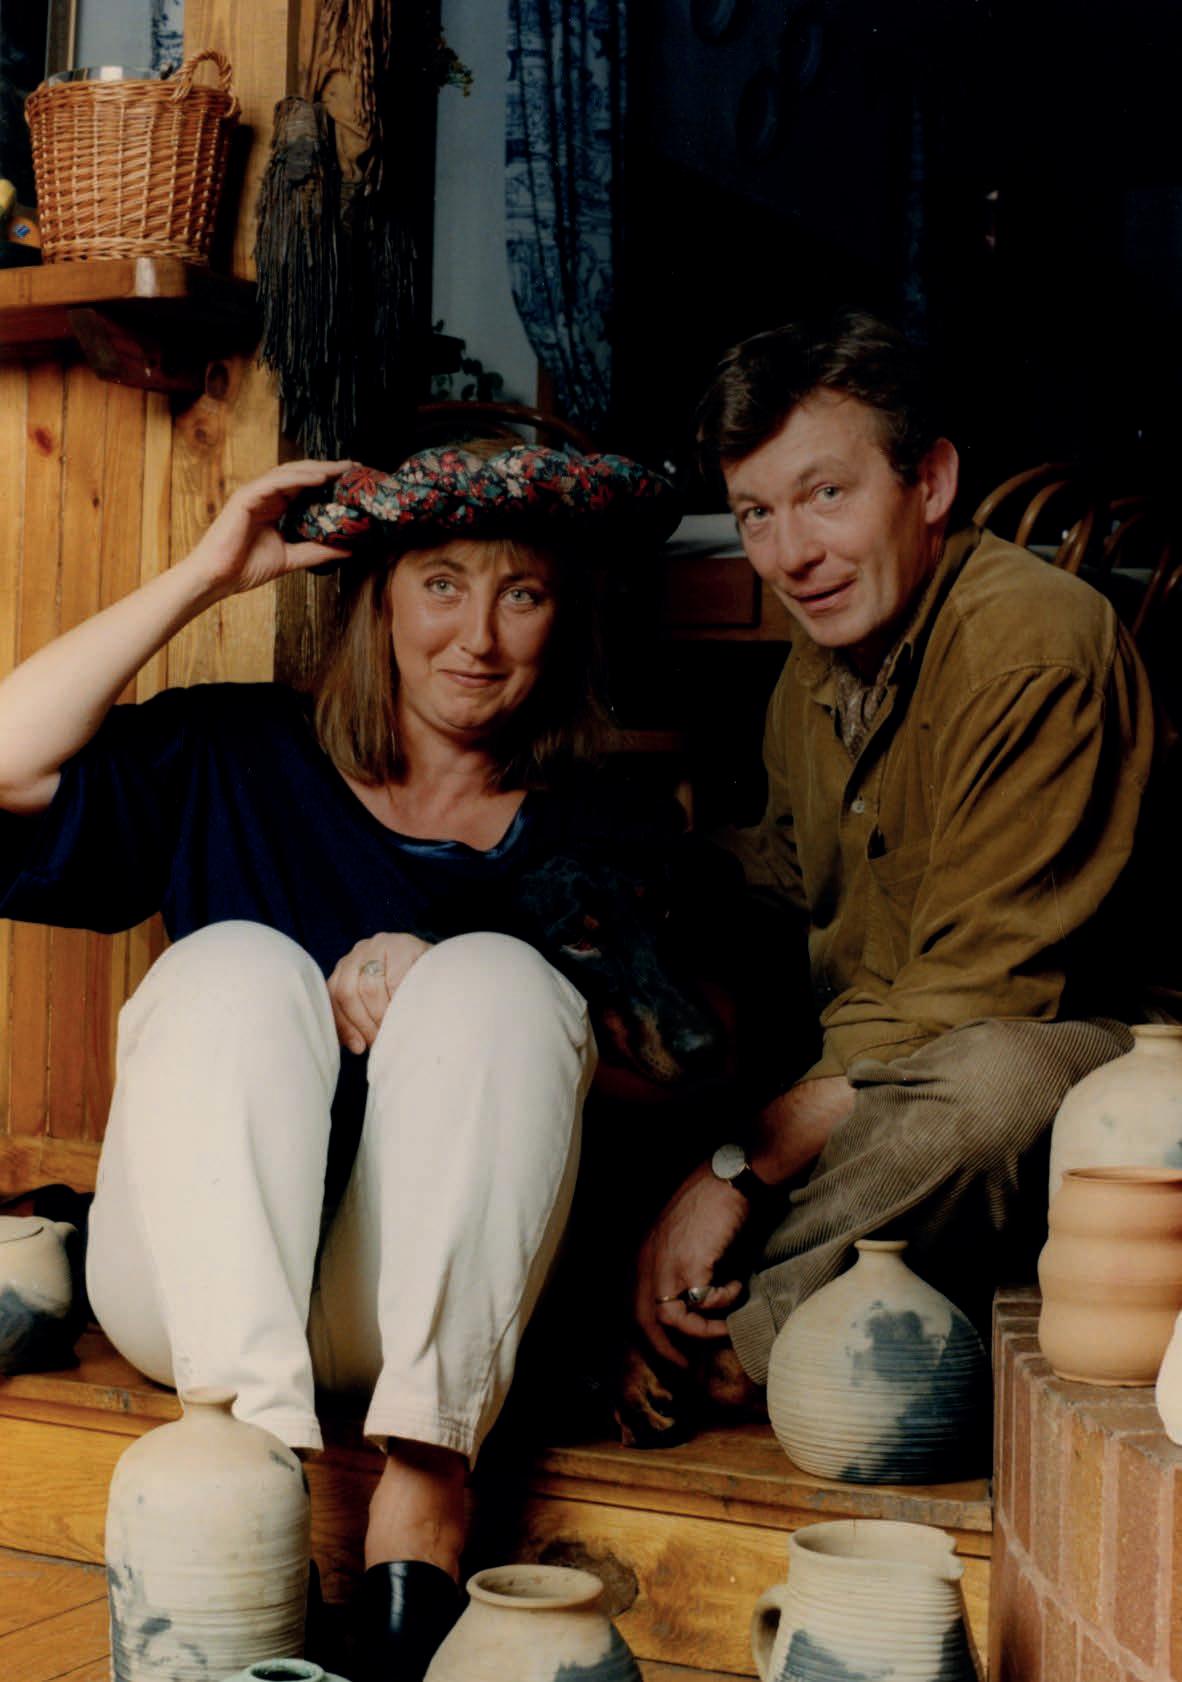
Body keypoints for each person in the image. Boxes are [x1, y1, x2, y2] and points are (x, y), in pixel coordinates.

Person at [0, 440, 683, 1680]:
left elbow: (680, 1077)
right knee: (235, 965)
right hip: (200, 1294)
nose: (477, 636)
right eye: (441, 583)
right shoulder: (235, 750)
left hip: (419, 1320)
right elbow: (5, 761)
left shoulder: (604, 823)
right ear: (378, 599)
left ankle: (420, 1504)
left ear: (563, 618)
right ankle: (251, 1483)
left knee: (495, 981)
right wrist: (209, 574)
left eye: (522, 593)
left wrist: (442, 979)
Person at [633, 309, 1157, 1395]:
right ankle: (663, 1301)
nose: (791, 555)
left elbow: (978, 991)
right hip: (894, 1043)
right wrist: (647, 881)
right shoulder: (821, 658)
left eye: (827, 493)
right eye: (757, 513)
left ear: (932, 483)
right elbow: (796, 870)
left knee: (990, 1090)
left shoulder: (1030, 642)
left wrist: (738, 1167)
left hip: (1089, 1047)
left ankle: (720, 1345)